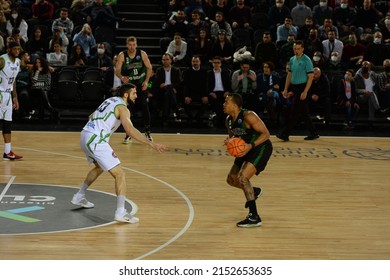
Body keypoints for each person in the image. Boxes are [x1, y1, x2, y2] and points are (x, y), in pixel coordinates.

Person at [71, 83, 167, 223]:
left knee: (99, 167)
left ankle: (79, 196)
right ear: (126, 95)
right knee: (120, 174)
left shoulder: (109, 100)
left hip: (85, 135)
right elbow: (130, 130)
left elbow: (91, 116)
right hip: (96, 140)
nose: (136, 95)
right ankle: (120, 212)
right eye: (134, 93)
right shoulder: (123, 108)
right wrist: (150, 143)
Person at [223, 92, 273, 227]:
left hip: (260, 147)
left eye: (226, 102)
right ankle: (254, 191)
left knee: (243, 178)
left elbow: (266, 134)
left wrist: (251, 145)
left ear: (234, 105)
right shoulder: (228, 120)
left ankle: (254, 216)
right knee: (231, 179)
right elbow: (234, 137)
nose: (223, 104)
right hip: (245, 148)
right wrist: (230, 141)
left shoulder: (248, 116)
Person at [276, 40, 319, 141]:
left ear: (302, 49)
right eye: (295, 49)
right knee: (304, 113)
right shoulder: (292, 59)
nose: (296, 50)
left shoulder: (307, 60)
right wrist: (286, 88)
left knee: (294, 112)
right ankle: (314, 133)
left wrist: (305, 91)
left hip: (303, 87)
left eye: (298, 49)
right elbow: (289, 75)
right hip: (295, 88)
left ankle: (285, 134)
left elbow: (311, 77)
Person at [116, 36, 153, 143]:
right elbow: (117, 70)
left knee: (144, 106)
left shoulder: (142, 54)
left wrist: (146, 81)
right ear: (127, 45)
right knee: (128, 110)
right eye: (130, 45)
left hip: (141, 84)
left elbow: (149, 68)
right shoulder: (122, 55)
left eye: (133, 45)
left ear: (136, 45)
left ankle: (147, 132)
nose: (132, 47)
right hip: (129, 86)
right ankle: (128, 134)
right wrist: (122, 77)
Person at [0, 41, 22, 160]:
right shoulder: (2, 60)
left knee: (7, 123)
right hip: (0, 93)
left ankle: (7, 152)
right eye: (15, 49)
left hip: (8, 96)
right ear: (9, 50)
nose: (17, 51)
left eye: (18, 49)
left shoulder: (18, 62)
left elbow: (13, 81)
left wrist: (15, 97)